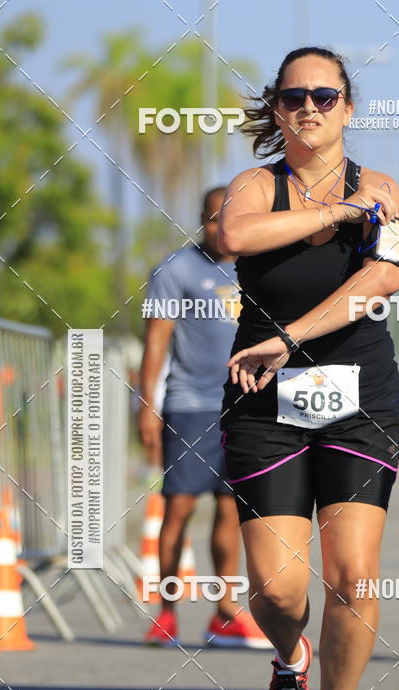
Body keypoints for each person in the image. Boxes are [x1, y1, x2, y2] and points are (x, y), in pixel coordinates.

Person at [217, 47, 399, 690]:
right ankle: (289, 659)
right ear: (277, 109)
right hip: (263, 403)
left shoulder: (382, 189)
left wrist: (288, 338)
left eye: (324, 96)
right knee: (276, 591)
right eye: (294, 96)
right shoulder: (255, 186)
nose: (309, 107)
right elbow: (237, 237)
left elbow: (381, 279)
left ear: (348, 109)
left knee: (355, 579)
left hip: (359, 399)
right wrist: (330, 212)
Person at [138, 187, 270, 650]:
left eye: (229, 219)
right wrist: (147, 408)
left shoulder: (261, 264)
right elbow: (156, 343)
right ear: (200, 221)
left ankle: (225, 612)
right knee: (178, 507)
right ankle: (166, 611)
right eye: (212, 220)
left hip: (247, 404)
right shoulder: (176, 269)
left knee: (231, 509)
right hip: (191, 405)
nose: (220, 229)